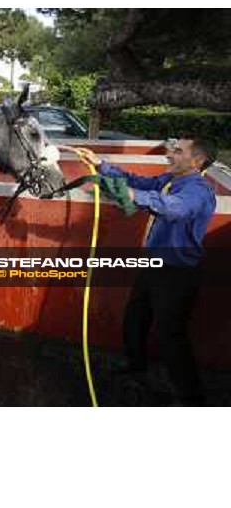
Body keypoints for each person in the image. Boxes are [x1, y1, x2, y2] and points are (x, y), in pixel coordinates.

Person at [84, 137, 217, 405]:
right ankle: (136, 366)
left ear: (197, 161)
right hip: (152, 266)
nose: (170, 154)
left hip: (177, 273)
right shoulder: (169, 180)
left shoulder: (199, 191)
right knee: (135, 318)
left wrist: (132, 196)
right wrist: (102, 165)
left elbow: (175, 209)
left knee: (172, 337)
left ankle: (192, 400)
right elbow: (139, 182)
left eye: (177, 151)